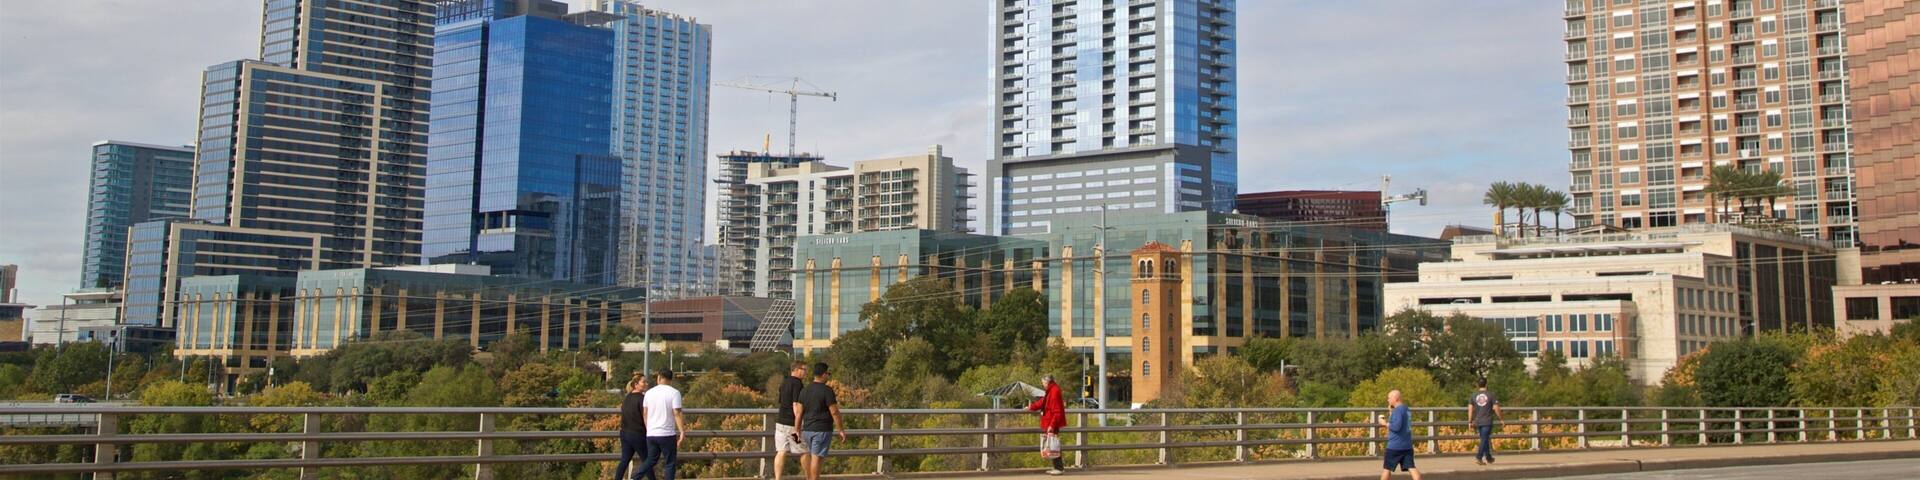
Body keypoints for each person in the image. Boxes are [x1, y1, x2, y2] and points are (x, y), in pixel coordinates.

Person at [792, 362, 846, 480]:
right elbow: (835, 412)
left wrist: (797, 431)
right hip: (821, 430)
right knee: (816, 459)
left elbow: (799, 413)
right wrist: (841, 430)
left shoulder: (804, 390)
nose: (828, 376)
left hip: (807, 430)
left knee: (812, 457)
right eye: (828, 374)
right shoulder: (827, 391)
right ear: (823, 374)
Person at [635, 369, 686, 480]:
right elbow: (676, 413)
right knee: (670, 462)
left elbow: (645, 413)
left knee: (651, 460)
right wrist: (682, 431)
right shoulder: (674, 393)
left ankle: (635, 477)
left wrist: (649, 428)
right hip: (667, 434)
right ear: (671, 380)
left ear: (659, 377)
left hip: (652, 434)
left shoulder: (648, 393)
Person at [773, 361, 810, 480]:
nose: (806, 372)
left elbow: (782, 402)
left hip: (780, 423)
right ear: (797, 369)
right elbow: (796, 405)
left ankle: (777, 478)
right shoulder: (797, 384)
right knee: (803, 451)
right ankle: (810, 478)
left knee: (781, 451)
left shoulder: (784, 382)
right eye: (804, 369)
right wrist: (798, 425)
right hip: (792, 426)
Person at [1027, 374, 1067, 475]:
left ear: (1047, 382)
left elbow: (1057, 411)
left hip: (1052, 422)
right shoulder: (1051, 390)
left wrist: (1052, 425)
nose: (1043, 385)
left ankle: (1059, 468)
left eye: (1043, 383)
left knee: (1053, 444)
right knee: (1052, 444)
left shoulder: (1054, 391)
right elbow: (1043, 402)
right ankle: (1057, 467)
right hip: (1051, 422)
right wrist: (1031, 407)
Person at [1376, 389, 1421, 480]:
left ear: (1395, 398)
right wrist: (1391, 412)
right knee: (1412, 468)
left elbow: (1396, 427)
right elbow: (1401, 422)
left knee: (1387, 469)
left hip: (1395, 446)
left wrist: (1384, 423)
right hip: (1407, 446)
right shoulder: (1405, 408)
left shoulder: (1398, 411)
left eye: (1389, 398)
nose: (1387, 400)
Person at [615, 374, 650, 480]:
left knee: (625, 459)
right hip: (638, 434)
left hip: (625, 433)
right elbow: (645, 416)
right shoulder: (642, 399)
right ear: (636, 384)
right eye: (643, 382)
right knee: (647, 460)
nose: (646, 384)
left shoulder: (627, 397)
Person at [1468, 377, 1502, 466]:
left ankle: (1489, 458)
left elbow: (1470, 409)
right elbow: (1496, 408)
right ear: (1486, 384)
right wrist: (1501, 419)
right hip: (1487, 420)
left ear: (1477, 385)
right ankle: (1479, 457)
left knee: (1484, 439)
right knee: (1484, 439)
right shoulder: (1491, 395)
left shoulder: (1474, 395)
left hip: (1478, 421)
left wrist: (1470, 421)